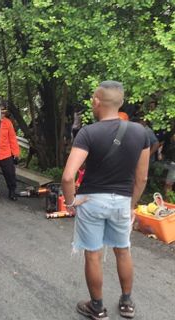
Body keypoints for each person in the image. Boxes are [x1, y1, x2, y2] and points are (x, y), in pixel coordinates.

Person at [61, 81, 149, 320]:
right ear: (120, 103)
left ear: (96, 102)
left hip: (91, 201)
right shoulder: (141, 133)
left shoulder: (88, 132)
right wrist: (131, 205)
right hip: (122, 201)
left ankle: (97, 307)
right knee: (123, 251)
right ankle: (127, 303)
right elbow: (142, 178)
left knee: (93, 254)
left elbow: (69, 176)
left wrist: (70, 204)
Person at [0, 108, 20, 200]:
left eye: (3, 113)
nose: (2, 114)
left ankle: (12, 191)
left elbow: (12, 138)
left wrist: (16, 153)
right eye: (0, 112)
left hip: (5, 153)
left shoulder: (7, 123)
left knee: (10, 173)